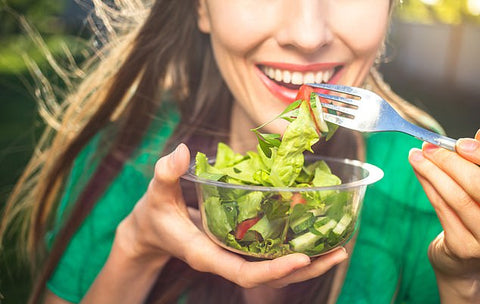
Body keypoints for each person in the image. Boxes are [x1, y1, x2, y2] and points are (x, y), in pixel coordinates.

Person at [1, 0, 479, 303]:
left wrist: (463, 281)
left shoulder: (428, 182)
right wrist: (137, 247)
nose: (308, 35)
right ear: (201, 8)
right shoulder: (125, 156)